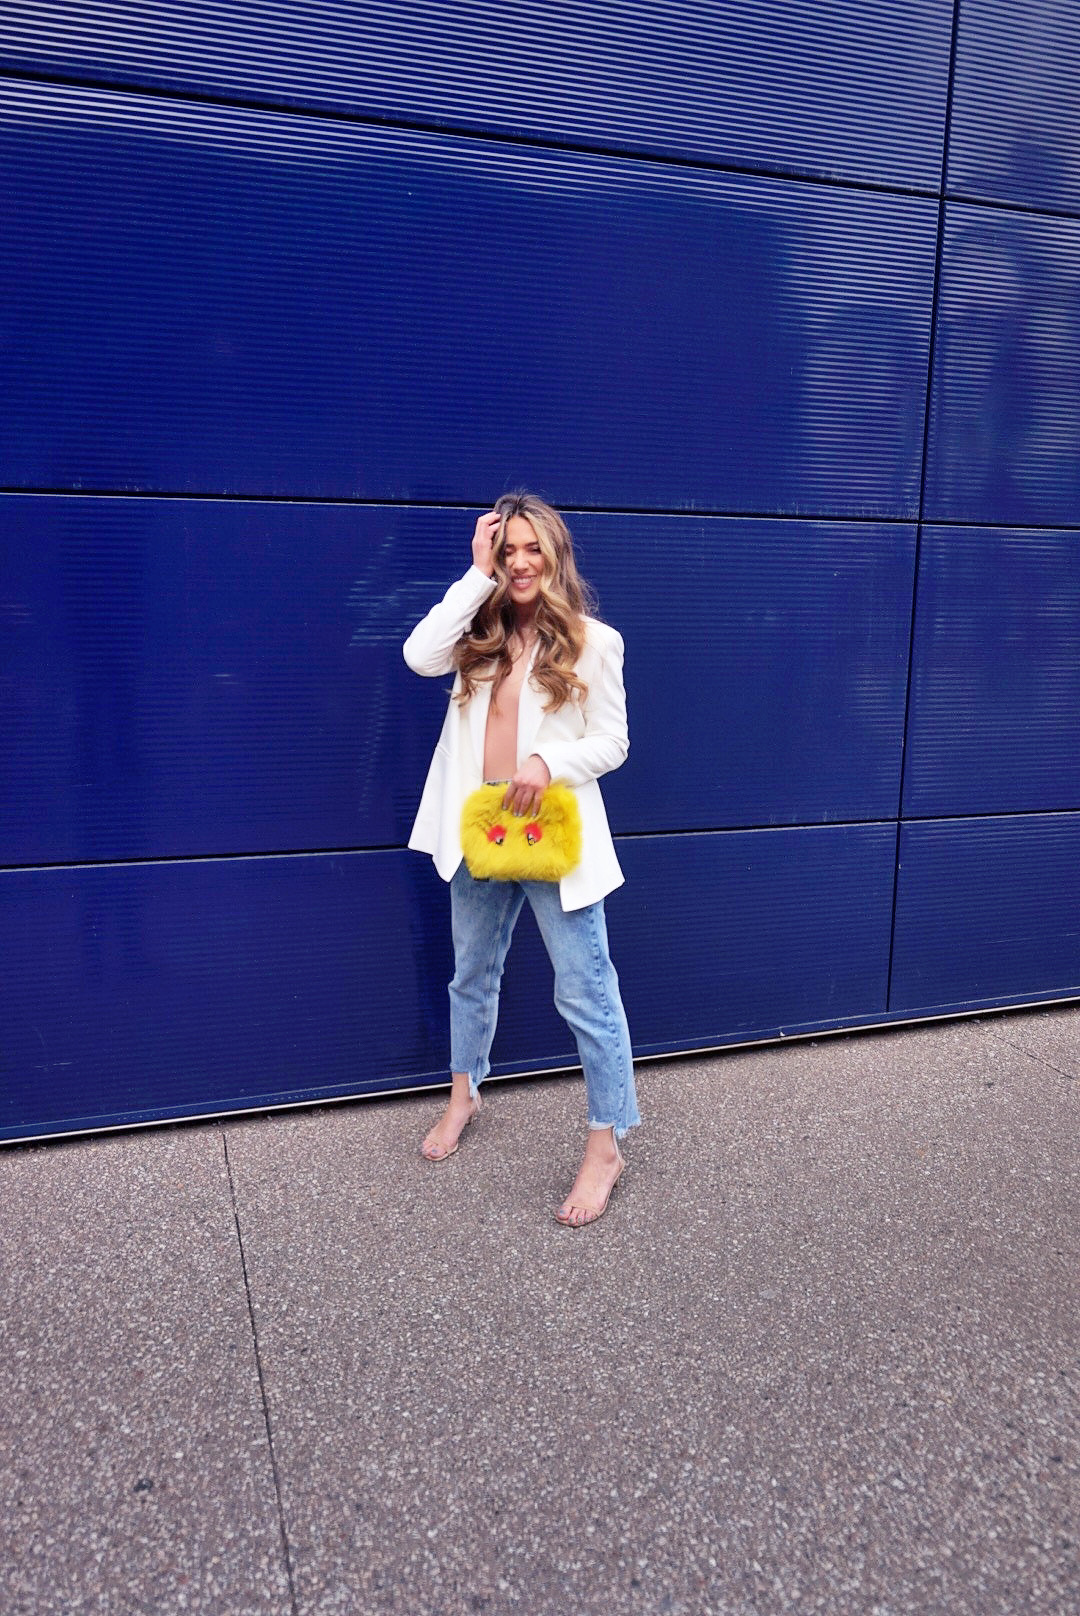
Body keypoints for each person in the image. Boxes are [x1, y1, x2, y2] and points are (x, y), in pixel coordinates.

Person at [402, 491, 640, 1227]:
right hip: (478, 830)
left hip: (548, 835)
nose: (520, 562)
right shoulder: (478, 629)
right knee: (471, 973)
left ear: (556, 553)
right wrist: (476, 576)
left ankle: (606, 1143)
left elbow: (614, 742)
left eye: (531, 548)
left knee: (585, 989)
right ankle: (463, 1094)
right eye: (508, 551)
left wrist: (547, 760)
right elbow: (416, 657)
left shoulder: (595, 641)